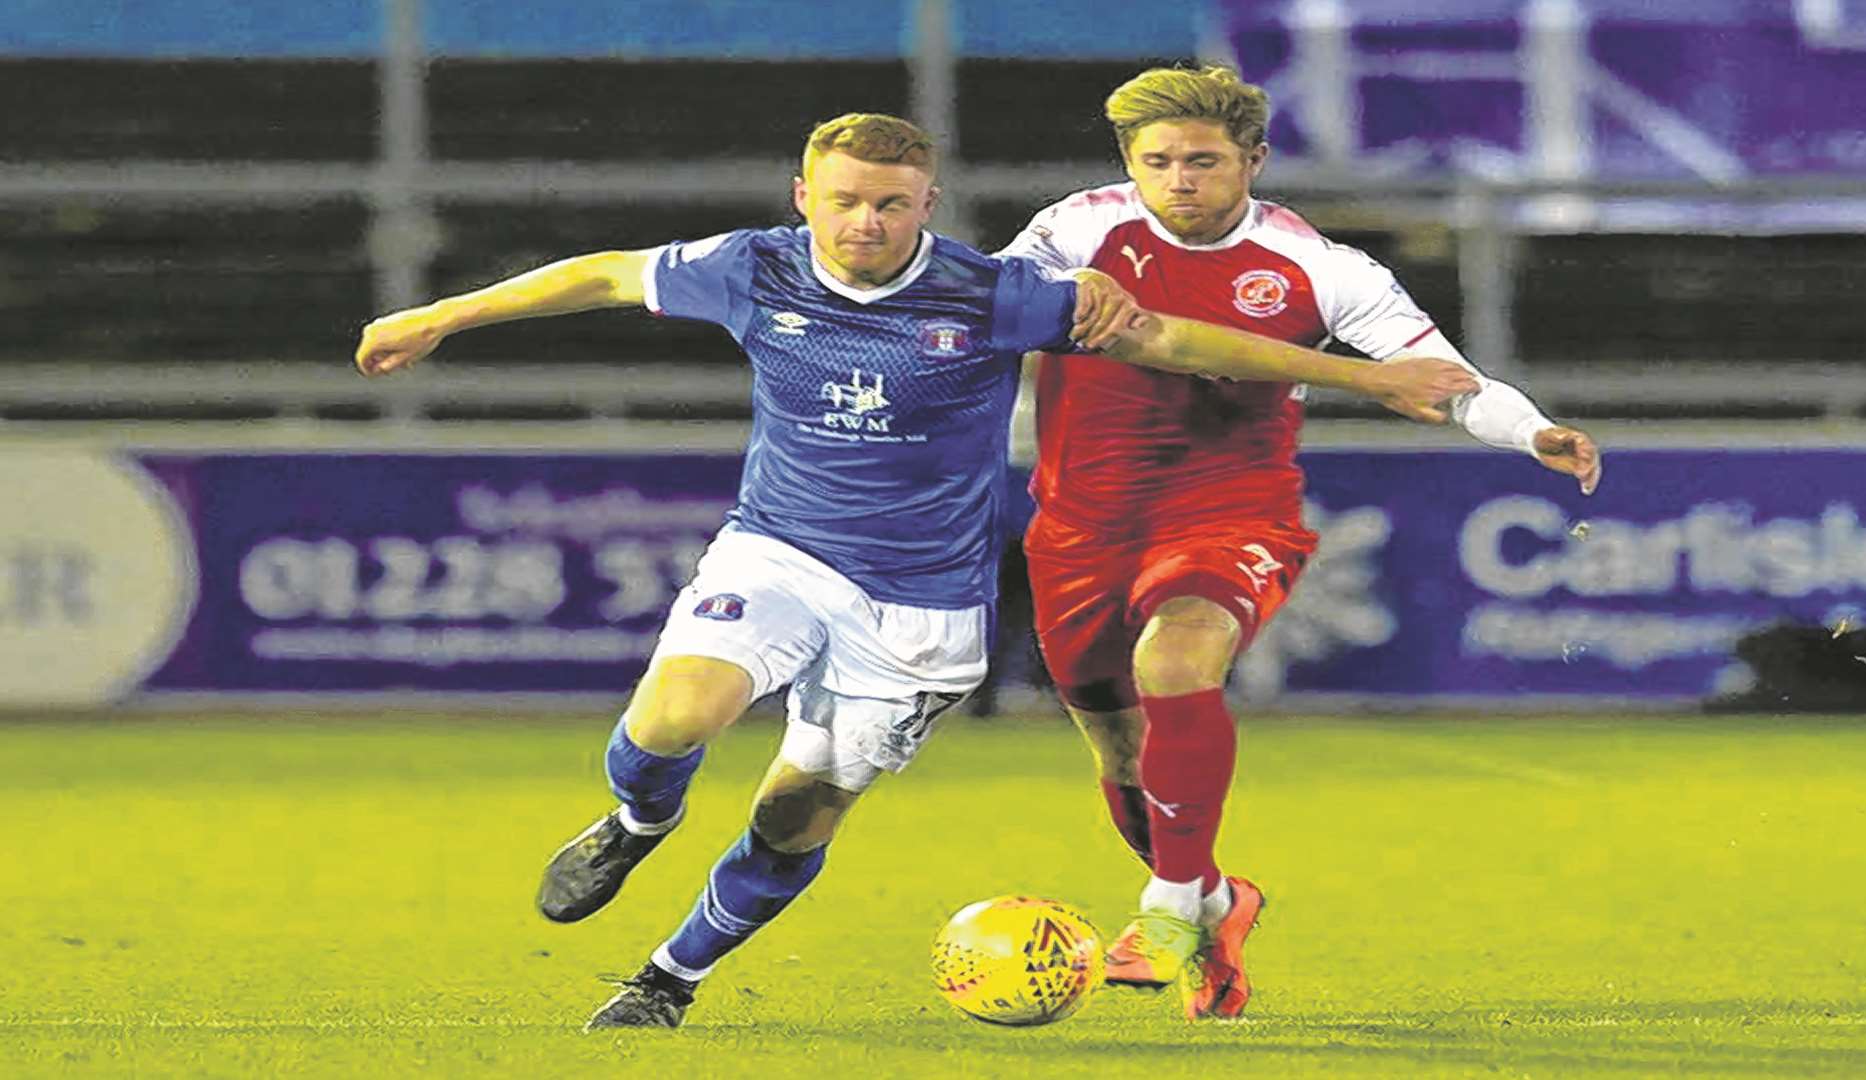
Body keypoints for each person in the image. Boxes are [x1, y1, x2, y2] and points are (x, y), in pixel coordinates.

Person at [354, 112, 1477, 1031]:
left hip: (923, 607)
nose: (866, 221)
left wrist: (1369, 378)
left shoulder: (994, 294)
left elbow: (1177, 343)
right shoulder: (750, 269)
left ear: (926, 207)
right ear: (806, 196)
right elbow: (603, 275)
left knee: (795, 815)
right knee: (674, 721)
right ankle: (634, 825)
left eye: (891, 202)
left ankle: (668, 976)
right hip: (779, 548)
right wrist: (443, 315)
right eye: (844, 199)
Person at [997, 66, 1603, 1020]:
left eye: (1203, 161)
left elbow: (1443, 376)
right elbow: (993, 314)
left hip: (1228, 510)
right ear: (1129, 164)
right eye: (1157, 162)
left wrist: (1532, 433)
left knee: (1179, 658)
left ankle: (1166, 907)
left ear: (1254, 161)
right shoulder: (1076, 229)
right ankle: (1212, 900)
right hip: (1078, 526)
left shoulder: (1321, 267)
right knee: (1120, 754)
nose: (1180, 181)